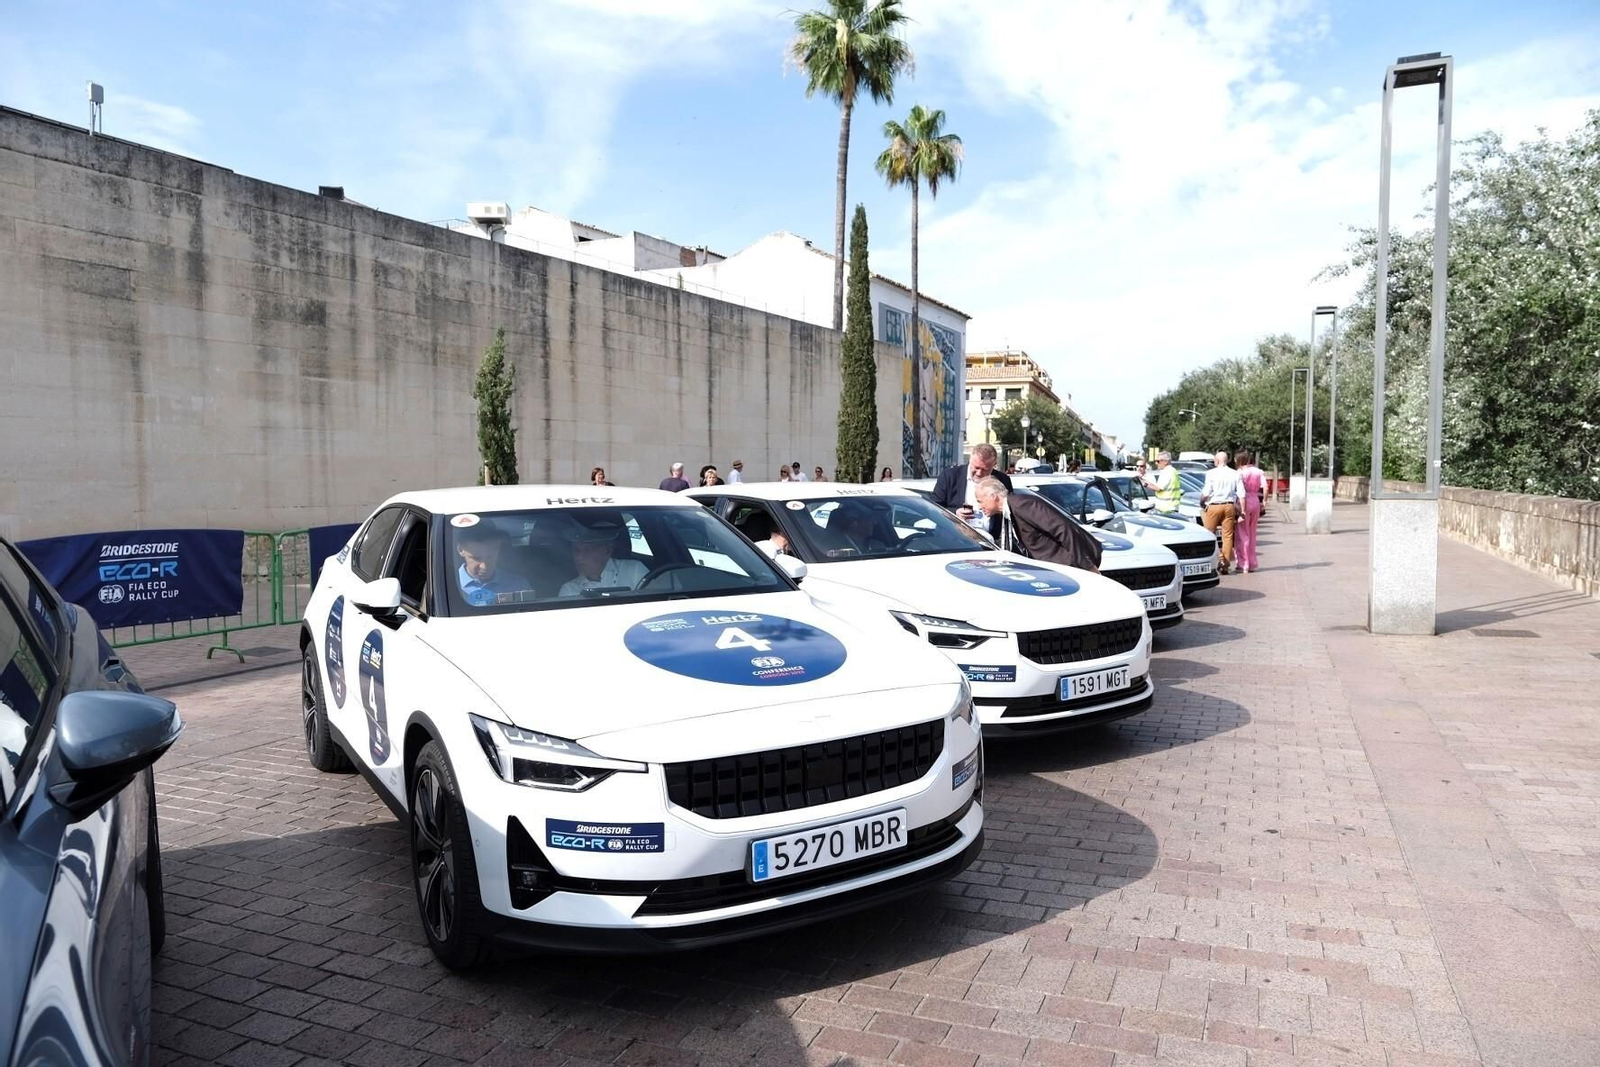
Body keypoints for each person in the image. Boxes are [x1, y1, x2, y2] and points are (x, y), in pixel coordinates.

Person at [974, 478, 1101, 573]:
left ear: (993, 496)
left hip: (1071, 566)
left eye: (980, 501)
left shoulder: (1022, 504)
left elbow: (1063, 529)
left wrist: (1088, 565)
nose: (980, 507)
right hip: (1051, 569)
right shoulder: (1008, 511)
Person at [932, 443, 1013, 536]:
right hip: (953, 538)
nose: (979, 473)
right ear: (970, 460)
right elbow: (933, 507)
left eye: (985, 469)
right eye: (976, 467)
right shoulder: (950, 476)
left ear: (994, 465)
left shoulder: (1003, 480)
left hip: (991, 541)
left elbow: (1009, 509)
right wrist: (955, 513)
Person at [558, 518, 648, 597]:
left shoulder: (634, 571)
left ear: (607, 550)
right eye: (576, 550)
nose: (579, 557)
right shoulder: (569, 591)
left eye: (587, 549)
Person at [455, 524, 533, 605]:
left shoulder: (519, 586)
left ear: (498, 548)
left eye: (490, 557)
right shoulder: (446, 587)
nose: (484, 566)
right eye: (476, 558)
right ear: (460, 550)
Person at [1200, 450, 1244, 574]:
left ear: (1218, 461)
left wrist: (1202, 502)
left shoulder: (1211, 473)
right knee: (1228, 536)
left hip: (1214, 506)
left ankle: (1220, 558)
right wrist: (1242, 511)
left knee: (1209, 534)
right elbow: (1241, 494)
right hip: (1229, 506)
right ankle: (1225, 564)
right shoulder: (1235, 474)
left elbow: (1206, 492)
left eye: (1215, 459)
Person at [1234, 449, 1265, 574]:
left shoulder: (1240, 473)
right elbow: (1265, 487)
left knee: (1242, 534)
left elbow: (1239, 490)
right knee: (1252, 533)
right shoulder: (1258, 471)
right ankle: (1252, 563)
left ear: (1240, 459)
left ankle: (1243, 563)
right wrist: (1264, 502)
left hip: (1244, 502)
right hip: (1255, 501)